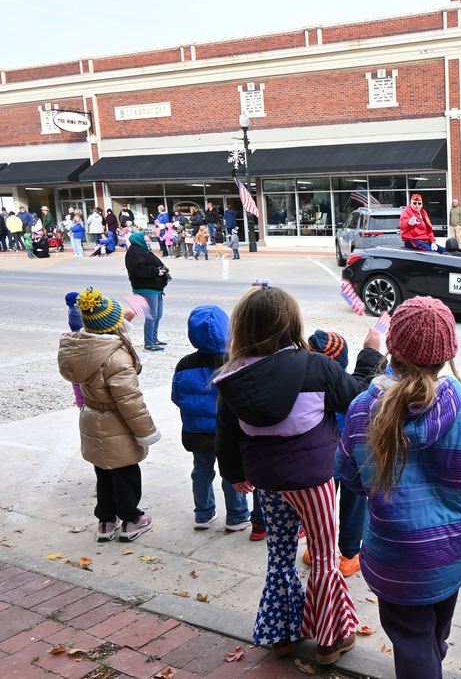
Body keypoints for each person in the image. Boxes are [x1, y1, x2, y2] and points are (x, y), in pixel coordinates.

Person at [214, 285, 385, 666]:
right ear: (292, 324)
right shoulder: (316, 366)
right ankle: (328, 640)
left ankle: (281, 635)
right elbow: (357, 397)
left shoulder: (231, 378)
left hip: (266, 481)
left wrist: (234, 474)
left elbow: (224, 433)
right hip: (313, 479)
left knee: (279, 556)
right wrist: (371, 352)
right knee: (324, 558)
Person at [339, 297, 461, 678]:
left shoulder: (364, 409)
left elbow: (349, 477)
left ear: (392, 348)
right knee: (433, 631)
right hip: (448, 554)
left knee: (413, 640)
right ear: (446, 355)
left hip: (392, 556)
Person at [58, 288, 160, 543]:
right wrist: (146, 432)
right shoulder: (116, 358)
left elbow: (113, 322)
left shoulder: (83, 348)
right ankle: (132, 519)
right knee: (125, 473)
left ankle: (105, 521)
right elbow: (130, 402)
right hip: (117, 423)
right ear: (112, 326)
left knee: (103, 471)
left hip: (91, 418)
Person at [171, 306, 253, 532]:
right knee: (232, 471)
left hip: (196, 432)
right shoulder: (236, 362)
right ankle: (236, 515)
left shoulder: (184, 365)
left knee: (201, 470)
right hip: (229, 434)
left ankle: (203, 513)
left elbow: (177, 397)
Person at [299, 330, 364, 576]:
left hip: (321, 459)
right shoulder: (349, 388)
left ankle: (316, 551)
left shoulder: (306, 388)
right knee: (354, 504)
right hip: (352, 459)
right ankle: (349, 554)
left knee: (321, 506)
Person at [125, 232, 170, 352]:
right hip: (145, 288)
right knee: (151, 315)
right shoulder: (134, 252)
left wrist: (162, 270)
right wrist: (156, 271)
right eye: (146, 239)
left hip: (155, 288)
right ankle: (149, 343)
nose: (149, 241)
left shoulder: (143, 250)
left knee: (158, 314)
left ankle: (154, 339)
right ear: (139, 240)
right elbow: (139, 270)